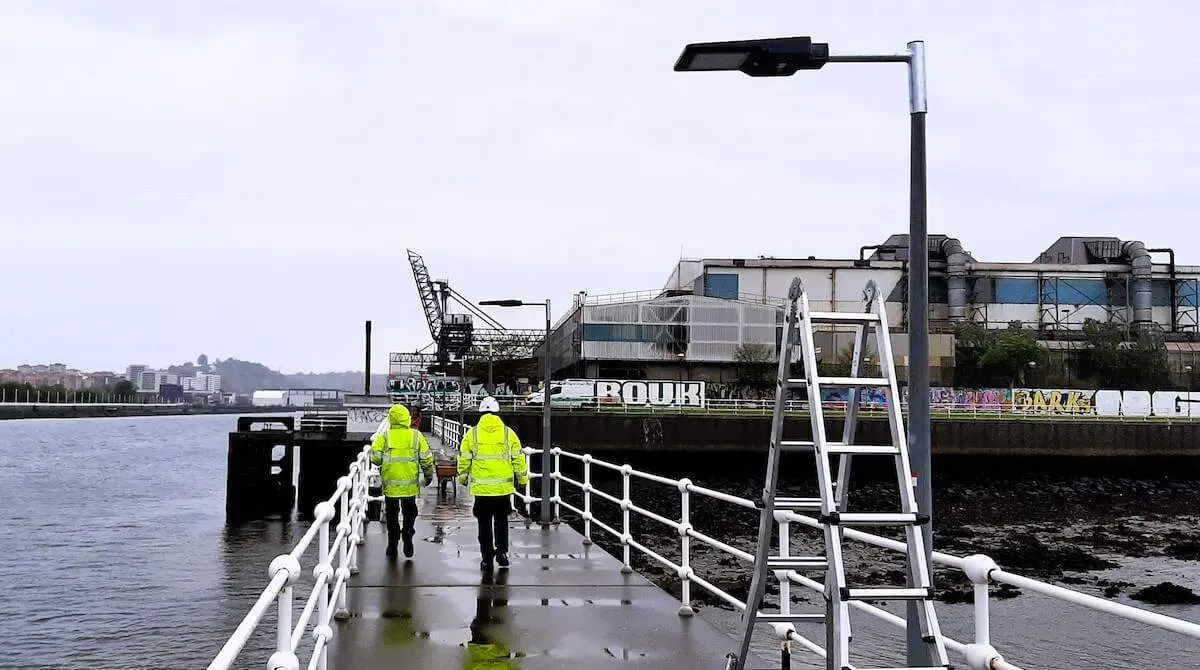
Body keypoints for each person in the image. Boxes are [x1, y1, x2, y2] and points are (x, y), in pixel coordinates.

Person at [457, 396, 528, 571]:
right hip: (503, 488)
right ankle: (502, 552)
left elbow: (464, 460)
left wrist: (463, 478)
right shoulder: (508, 433)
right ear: (497, 412)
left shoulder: (472, 434)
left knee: (484, 523)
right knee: (501, 521)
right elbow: (518, 458)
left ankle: (487, 558)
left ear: (481, 412)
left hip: (482, 489)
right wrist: (522, 480)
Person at [370, 403, 435, 559]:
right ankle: (407, 534)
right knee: (410, 512)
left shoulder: (384, 436)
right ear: (407, 418)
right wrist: (428, 475)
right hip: (410, 485)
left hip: (390, 485)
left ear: (391, 419)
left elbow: (376, 459)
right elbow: (426, 459)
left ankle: (392, 543)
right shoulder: (415, 436)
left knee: (392, 514)